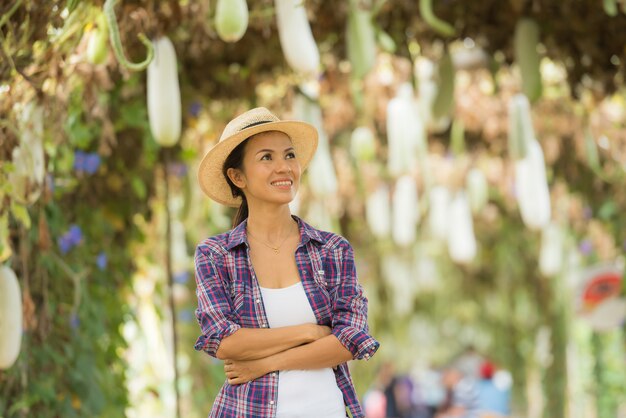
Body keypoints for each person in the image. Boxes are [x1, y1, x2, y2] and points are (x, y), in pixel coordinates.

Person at [193, 107, 380, 418]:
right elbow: (223, 340)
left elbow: (349, 340)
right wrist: (309, 332)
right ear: (237, 176)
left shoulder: (333, 250)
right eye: (266, 158)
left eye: (289, 155)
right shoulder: (216, 255)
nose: (284, 167)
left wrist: (265, 363)